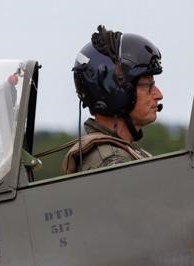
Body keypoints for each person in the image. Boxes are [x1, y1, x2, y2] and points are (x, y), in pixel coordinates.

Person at [63, 25, 164, 174]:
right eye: (148, 86)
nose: (158, 94)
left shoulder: (124, 151)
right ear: (115, 92)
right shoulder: (112, 163)